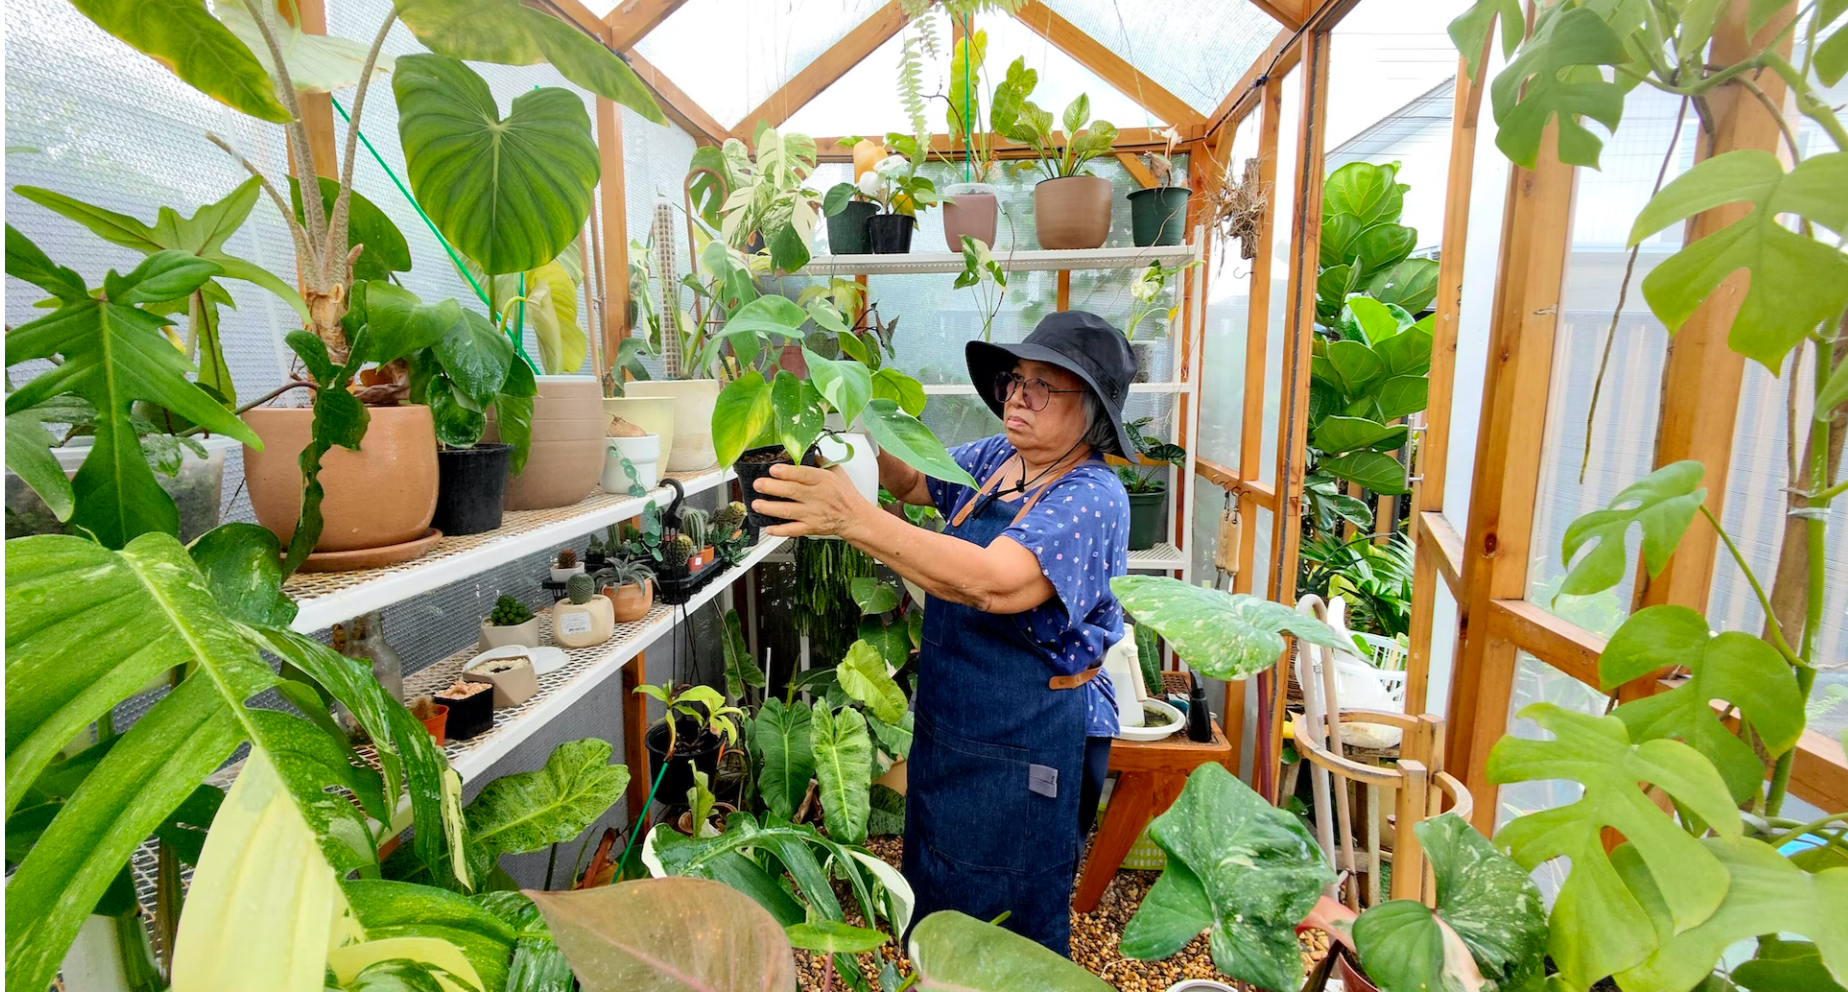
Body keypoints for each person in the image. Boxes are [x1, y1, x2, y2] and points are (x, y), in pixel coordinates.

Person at [749, 310, 1136, 956]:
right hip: (953, 730)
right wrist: (841, 404)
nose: (1018, 395)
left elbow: (992, 581)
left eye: (1044, 386)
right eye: (1016, 379)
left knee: (1005, 930)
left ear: (1092, 410)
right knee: (936, 899)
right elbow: (909, 477)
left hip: (1028, 742)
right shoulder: (997, 461)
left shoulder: (1093, 496)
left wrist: (854, 519)